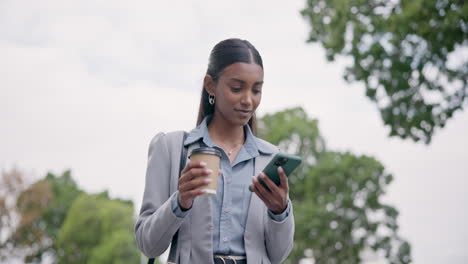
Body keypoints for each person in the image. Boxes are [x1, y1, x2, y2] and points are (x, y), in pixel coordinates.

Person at [135, 38, 294, 264]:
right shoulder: (171, 149)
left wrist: (280, 212)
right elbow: (148, 244)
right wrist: (180, 202)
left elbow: (278, 255)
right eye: (237, 88)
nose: (248, 100)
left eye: (256, 90)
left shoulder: (269, 159)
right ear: (210, 85)